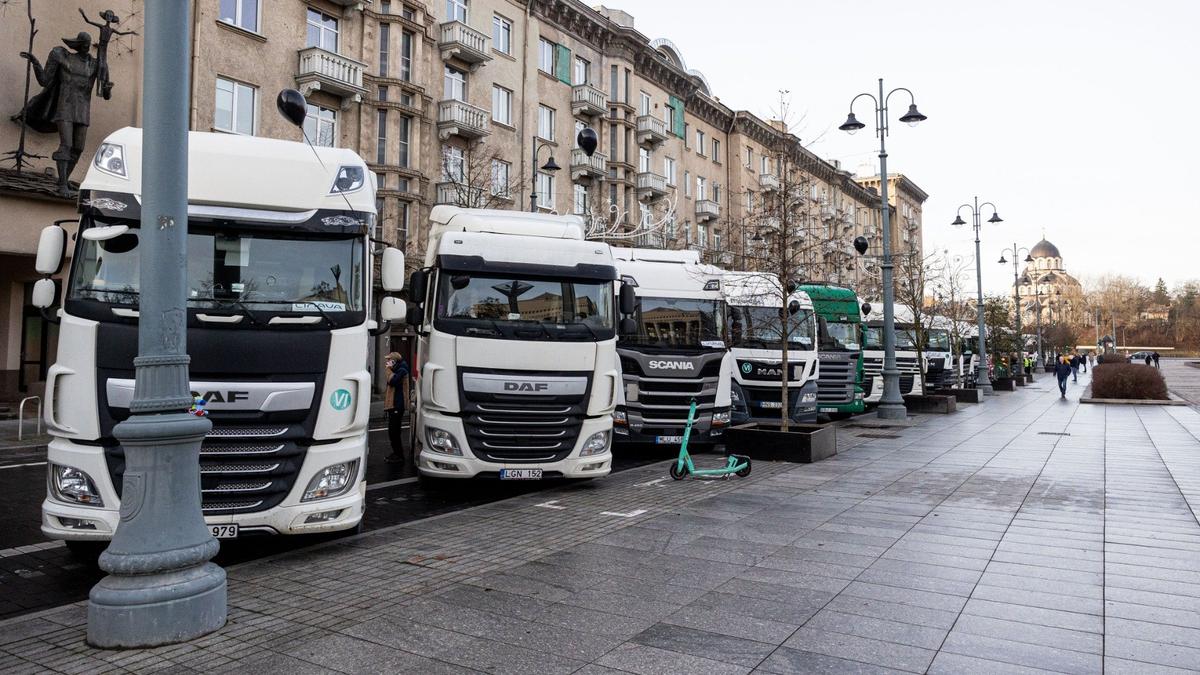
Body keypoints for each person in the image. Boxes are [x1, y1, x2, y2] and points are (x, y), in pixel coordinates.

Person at [383, 351, 411, 465]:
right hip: (394, 405)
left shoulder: (402, 370)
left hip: (397, 406)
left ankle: (399, 455)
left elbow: (392, 381)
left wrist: (388, 369)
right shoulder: (397, 370)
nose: (387, 362)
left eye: (389, 360)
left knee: (394, 432)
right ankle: (396, 453)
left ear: (394, 361)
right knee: (392, 432)